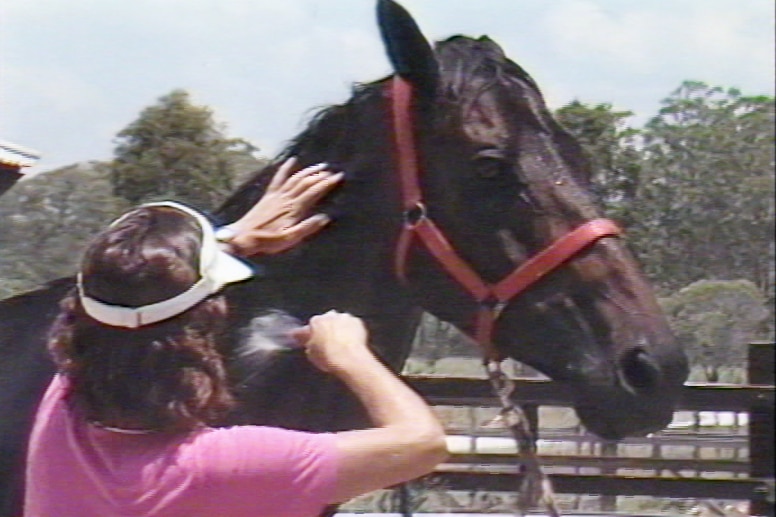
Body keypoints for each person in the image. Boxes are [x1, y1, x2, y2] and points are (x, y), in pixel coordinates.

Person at [23, 157, 448, 517]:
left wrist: (231, 240)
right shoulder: (227, 463)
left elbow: (120, 309)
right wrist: (351, 356)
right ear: (207, 323)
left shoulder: (59, 411)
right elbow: (422, 444)